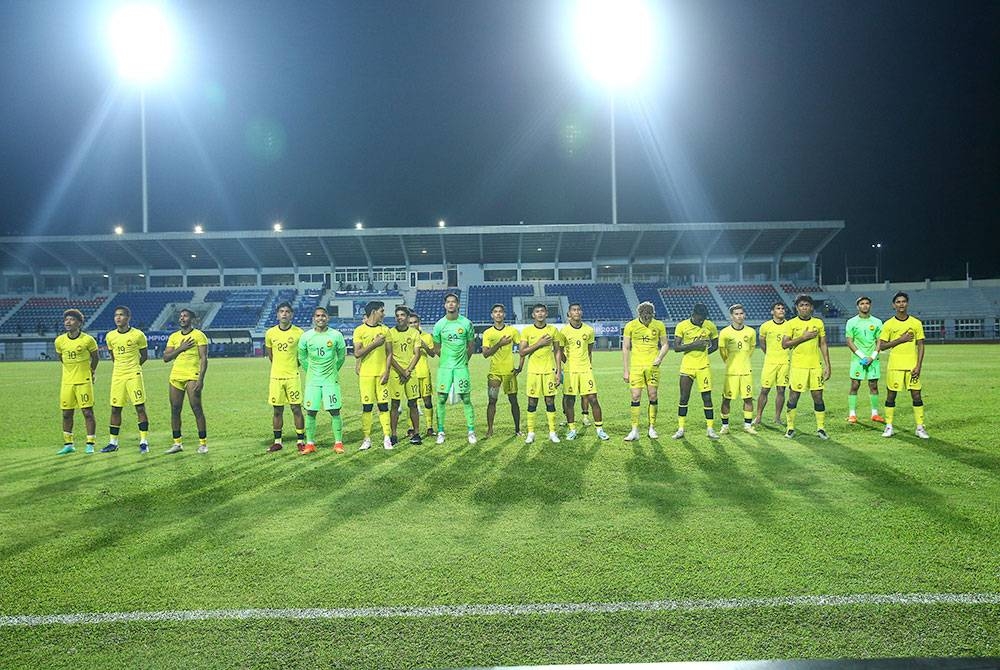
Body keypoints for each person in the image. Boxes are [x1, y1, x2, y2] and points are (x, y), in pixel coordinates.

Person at [878, 292, 929, 439]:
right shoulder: (888, 324)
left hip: (912, 366)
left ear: (907, 304)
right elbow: (882, 346)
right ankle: (889, 426)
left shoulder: (916, 323)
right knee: (891, 396)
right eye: (898, 302)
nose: (901, 304)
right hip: (895, 366)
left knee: (916, 395)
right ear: (894, 305)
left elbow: (921, 345)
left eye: (904, 301)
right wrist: (901, 339)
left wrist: (918, 365)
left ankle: (920, 427)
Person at [781, 294, 831, 440]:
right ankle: (790, 428)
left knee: (818, 398)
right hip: (798, 367)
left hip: (815, 366)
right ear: (797, 308)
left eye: (807, 305)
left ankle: (821, 428)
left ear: (811, 307)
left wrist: (828, 365)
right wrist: (804, 337)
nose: (804, 308)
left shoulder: (818, 322)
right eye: (801, 305)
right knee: (793, 397)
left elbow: (823, 344)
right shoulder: (791, 324)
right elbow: (784, 344)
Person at [298, 306, 347, 453]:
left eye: (323, 316)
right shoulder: (306, 337)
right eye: (318, 316)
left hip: (330, 381)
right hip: (313, 381)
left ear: (328, 318)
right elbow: (302, 357)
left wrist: (332, 371)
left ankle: (338, 443)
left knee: (334, 411)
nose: (320, 318)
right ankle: (310, 444)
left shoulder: (336, 335)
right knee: (311, 411)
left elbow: (341, 356)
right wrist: (311, 371)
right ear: (314, 318)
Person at [102, 306, 150, 454]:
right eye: (116, 315)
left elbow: (144, 355)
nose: (118, 318)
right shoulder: (110, 336)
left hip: (133, 375)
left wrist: (134, 367)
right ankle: (113, 442)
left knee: (140, 407)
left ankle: (143, 441)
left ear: (128, 317)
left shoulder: (138, 335)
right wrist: (121, 368)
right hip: (117, 376)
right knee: (115, 408)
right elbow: (113, 355)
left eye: (121, 315)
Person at [432, 293, 477, 444]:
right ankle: (441, 431)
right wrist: (446, 360)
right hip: (445, 368)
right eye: (448, 302)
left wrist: (464, 361)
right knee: (441, 398)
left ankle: (471, 431)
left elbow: (471, 346)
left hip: (461, 368)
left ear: (458, 305)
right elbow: (436, 348)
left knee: (466, 399)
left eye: (454, 302)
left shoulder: (466, 323)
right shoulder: (439, 325)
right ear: (445, 305)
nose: (451, 304)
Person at [559, 302, 609, 440]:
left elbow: (589, 351)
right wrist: (568, 363)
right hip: (570, 371)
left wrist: (587, 365)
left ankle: (600, 430)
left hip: (586, 370)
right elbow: (559, 352)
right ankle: (572, 429)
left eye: (579, 310)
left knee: (593, 399)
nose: (577, 312)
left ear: (581, 312)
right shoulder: (563, 331)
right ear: (569, 314)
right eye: (574, 310)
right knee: (570, 400)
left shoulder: (589, 330)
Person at [163, 308, 209, 453]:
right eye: (181, 316)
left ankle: (203, 444)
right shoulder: (174, 337)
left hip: (192, 375)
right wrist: (181, 348)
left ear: (192, 319)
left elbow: (203, 358)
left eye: (185, 316)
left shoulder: (199, 335)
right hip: (176, 376)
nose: (182, 318)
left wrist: (200, 379)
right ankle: (177, 444)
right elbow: (166, 358)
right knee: (175, 409)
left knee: (196, 408)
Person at [623, 301, 670, 440]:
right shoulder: (630, 326)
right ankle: (634, 430)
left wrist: (660, 357)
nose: (647, 318)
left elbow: (665, 344)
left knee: (653, 395)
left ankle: (651, 428)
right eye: (645, 315)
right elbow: (625, 347)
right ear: (639, 314)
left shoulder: (659, 325)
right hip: (636, 366)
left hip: (653, 366)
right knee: (635, 396)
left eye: (650, 315)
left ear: (653, 314)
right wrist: (626, 370)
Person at [672, 303, 719, 440]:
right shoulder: (682, 326)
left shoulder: (709, 325)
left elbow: (715, 345)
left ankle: (710, 429)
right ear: (693, 314)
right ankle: (680, 429)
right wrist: (695, 345)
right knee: (684, 398)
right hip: (687, 367)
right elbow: (676, 347)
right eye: (699, 318)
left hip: (703, 367)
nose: (701, 321)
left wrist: (704, 353)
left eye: (703, 319)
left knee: (707, 398)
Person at [55, 309, 99, 455]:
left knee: (87, 412)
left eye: (72, 319)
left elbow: (95, 358)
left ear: (79, 323)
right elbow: (61, 358)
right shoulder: (59, 340)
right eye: (66, 319)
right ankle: (68, 444)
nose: (68, 322)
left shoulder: (88, 340)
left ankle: (90, 443)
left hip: (83, 381)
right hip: (67, 382)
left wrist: (91, 371)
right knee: (66, 413)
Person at [264, 301, 305, 452]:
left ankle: (300, 441)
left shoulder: (299, 333)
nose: (284, 314)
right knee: (277, 410)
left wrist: (292, 367)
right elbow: (271, 355)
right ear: (277, 314)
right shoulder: (270, 333)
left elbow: (302, 356)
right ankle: (278, 442)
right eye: (281, 311)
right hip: (276, 377)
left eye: (287, 311)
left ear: (292, 315)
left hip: (293, 377)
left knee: (296, 408)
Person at [518, 303, 562, 444]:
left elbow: (557, 351)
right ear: (533, 315)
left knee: (550, 400)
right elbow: (522, 352)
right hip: (533, 371)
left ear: (546, 313)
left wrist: (558, 371)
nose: (540, 314)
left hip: (549, 370)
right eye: (537, 311)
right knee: (532, 401)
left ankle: (552, 432)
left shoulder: (553, 330)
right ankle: (531, 433)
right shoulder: (527, 331)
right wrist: (539, 343)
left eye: (542, 311)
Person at [353, 301, 394, 450]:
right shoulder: (359, 330)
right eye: (381, 311)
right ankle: (367, 438)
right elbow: (357, 353)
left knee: (383, 406)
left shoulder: (385, 330)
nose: (384, 313)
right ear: (373, 312)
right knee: (367, 407)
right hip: (366, 375)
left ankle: (387, 437)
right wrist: (375, 344)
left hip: (381, 374)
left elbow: (390, 353)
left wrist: (387, 371)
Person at [481, 303, 522, 438]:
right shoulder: (488, 333)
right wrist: (499, 344)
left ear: (504, 314)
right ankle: (490, 429)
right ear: (492, 315)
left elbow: (522, 349)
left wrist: (520, 366)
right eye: (495, 312)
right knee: (492, 400)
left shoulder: (512, 331)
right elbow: (485, 354)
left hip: (509, 372)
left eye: (500, 312)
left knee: (513, 400)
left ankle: (517, 429)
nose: (498, 314)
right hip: (494, 372)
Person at [717, 304, 758, 435]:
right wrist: (730, 362)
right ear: (731, 316)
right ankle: (725, 426)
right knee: (726, 399)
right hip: (731, 372)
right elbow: (722, 352)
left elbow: (751, 349)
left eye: (741, 313)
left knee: (748, 398)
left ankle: (747, 425)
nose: (739, 316)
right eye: (736, 314)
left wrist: (743, 360)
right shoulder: (724, 332)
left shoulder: (751, 332)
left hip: (746, 371)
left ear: (744, 315)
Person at [845, 296, 885, 424]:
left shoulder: (877, 322)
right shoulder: (851, 322)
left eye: (867, 303)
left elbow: (880, 341)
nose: (865, 305)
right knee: (855, 385)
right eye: (862, 303)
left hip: (873, 359)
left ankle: (874, 414)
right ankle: (852, 414)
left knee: (873, 385)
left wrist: (872, 357)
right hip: (858, 359)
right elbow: (849, 341)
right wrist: (863, 357)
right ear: (858, 307)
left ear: (870, 305)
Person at [388, 305, 423, 445]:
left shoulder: (414, 333)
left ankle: (416, 433)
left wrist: (408, 370)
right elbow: (389, 354)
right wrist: (402, 371)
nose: (399, 317)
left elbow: (417, 354)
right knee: (395, 404)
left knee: (413, 403)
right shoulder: (390, 333)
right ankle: (394, 434)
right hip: (396, 372)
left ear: (408, 318)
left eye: (402, 315)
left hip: (410, 373)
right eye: (397, 315)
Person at [753, 302, 790, 427]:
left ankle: (777, 418)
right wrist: (770, 354)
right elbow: (762, 342)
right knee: (764, 390)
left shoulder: (789, 325)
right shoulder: (765, 326)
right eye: (778, 308)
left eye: (782, 308)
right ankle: (758, 417)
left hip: (785, 362)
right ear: (772, 312)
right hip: (770, 362)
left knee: (781, 390)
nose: (781, 310)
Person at [408, 311, 437, 437]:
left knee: (427, 401)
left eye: (415, 322)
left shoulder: (427, 336)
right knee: (412, 402)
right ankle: (411, 428)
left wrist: (423, 345)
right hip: (411, 373)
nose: (413, 324)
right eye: (410, 323)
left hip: (424, 372)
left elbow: (432, 354)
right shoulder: (406, 337)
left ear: (419, 323)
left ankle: (430, 427)